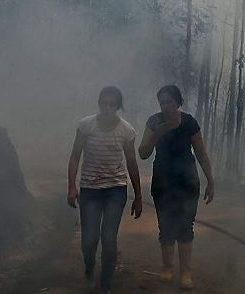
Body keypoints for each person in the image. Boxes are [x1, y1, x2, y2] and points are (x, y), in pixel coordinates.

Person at [138, 84, 215, 290]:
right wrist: (158, 132)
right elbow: (143, 152)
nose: (166, 107)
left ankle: (186, 272)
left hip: (187, 181)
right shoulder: (154, 121)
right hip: (163, 181)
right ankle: (167, 267)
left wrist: (211, 181)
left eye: (170, 103)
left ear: (178, 103)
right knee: (165, 226)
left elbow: (201, 153)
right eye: (162, 103)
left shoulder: (189, 122)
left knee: (185, 227)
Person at [67, 86, 142, 294]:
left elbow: (131, 162)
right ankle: (89, 265)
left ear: (118, 107)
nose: (107, 108)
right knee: (89, 238)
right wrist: (72, 186)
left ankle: (106, 284)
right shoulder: (86, 125)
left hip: (115, 190)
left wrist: (138, 195)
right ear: (99, 104)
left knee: (109, 238)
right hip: (90, 189)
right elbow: (75, 156)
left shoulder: (126, 131)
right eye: (104, 103)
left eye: (112, 104)